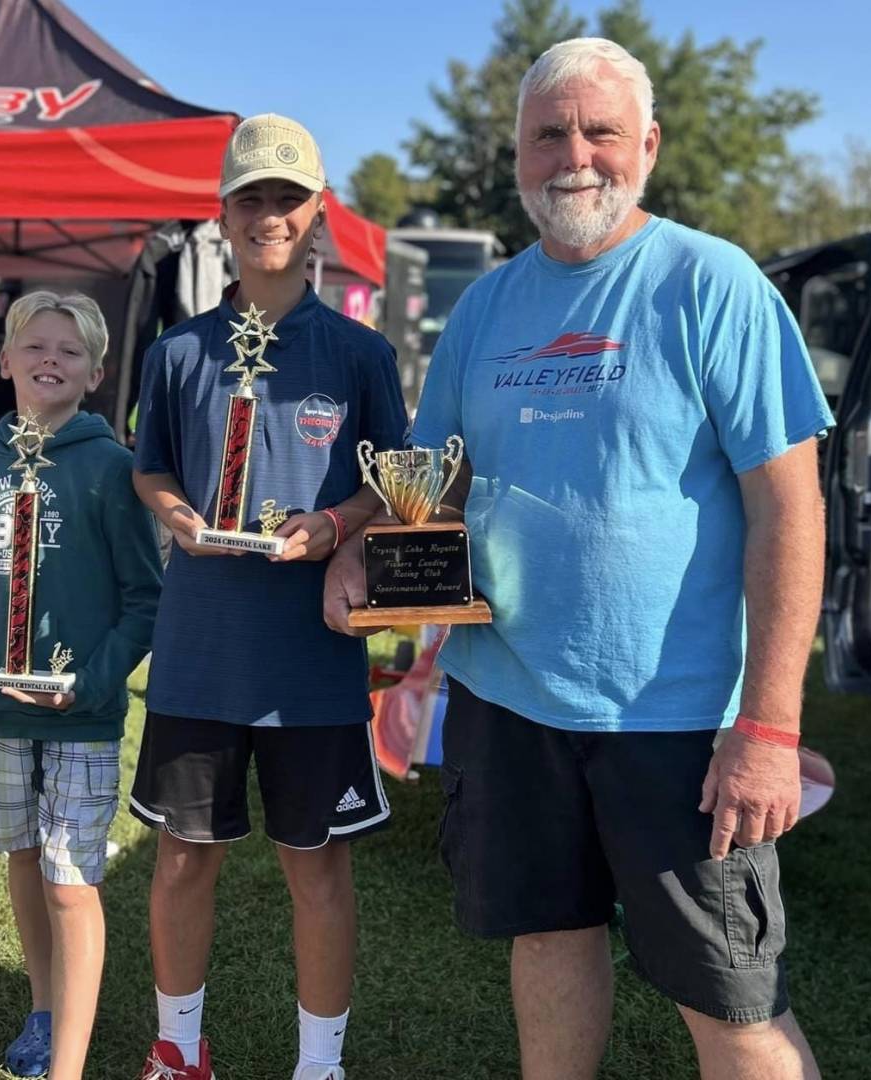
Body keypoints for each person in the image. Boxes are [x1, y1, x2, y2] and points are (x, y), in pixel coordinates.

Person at [325, 37, 829, 1080]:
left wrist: (770, 726)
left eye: (600, 130)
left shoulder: (712, 284)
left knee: (731, 994)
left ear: (647, 143)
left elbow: (790, 512)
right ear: (518, 155)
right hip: (508, 701)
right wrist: (359, 547)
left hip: (675, 717)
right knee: (550, 939)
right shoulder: (487, 307)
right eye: (548, 134)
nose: (575, 156)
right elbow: (436, 475)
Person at [129, 115, 405, 1080]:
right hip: (201, 646)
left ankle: (319, 1066)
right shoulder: (177, 353)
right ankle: (177, 1053)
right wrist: (179, 517)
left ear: (318, 214)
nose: (269, 216)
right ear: (223, 215)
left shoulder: (362, 355)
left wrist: (334, 528)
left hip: (310, 659)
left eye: (287, 198)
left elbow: (393, 482)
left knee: (316, 864)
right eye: (251, 197)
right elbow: (151, 469)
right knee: (180, 859)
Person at [0, 290, 162, 1080]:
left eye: (69, 350)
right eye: (35, 346)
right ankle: (43, 1009)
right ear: (4, 362)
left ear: (96, 373)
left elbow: (145, 599)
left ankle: (66, 1066)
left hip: (82, 717)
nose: (50, 360)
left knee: (72, 882)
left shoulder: (113, 468)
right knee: (26, 860)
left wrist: (92, 685)